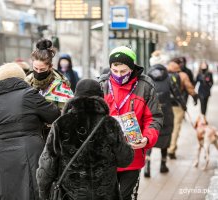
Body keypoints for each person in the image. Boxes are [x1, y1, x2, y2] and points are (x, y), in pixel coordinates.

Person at [36, 79, 134, 200]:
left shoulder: (60, 124)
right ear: (100, 97)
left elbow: (47, 164)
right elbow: (125, 160)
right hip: (105, 195)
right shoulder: (110, 123)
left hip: (71, 195)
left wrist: (43, 193)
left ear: (75, 97)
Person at [0, 63, 60, 200]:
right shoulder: (29, 94)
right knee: (32, 191)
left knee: (5, 191)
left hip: (1, 153)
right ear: (22, 78)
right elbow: (53, 114)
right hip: (29, 149)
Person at [99, 46, 163, 200]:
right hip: (105, 156)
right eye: (115, 71)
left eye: (123, 71)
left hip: (132, 156)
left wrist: (147, 139)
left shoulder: (145, 87)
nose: (119, 75)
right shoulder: (102, 85)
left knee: (126, 196)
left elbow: (154, 118)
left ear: (132, 67)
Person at [25, 39, 73, 139]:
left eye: (42, 69)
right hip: (29, 136)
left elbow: (68, 115)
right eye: (35, 68)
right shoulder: (25, 82)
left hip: (52, 136)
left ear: (50, 67)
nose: (38, 72)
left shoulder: (61, 86)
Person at [145, 64, 175, 177]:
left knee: (149, 139)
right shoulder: (168, 78)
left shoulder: (147, 79)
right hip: (166, 113)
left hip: (151, 114)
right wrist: (183, 105)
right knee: (166, 139)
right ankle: (163, 165)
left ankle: (147, 168)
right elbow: (176, 92)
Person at [167, 58, 198, 159]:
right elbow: (190, 88)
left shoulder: (164, 74)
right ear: (179, 65)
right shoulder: (182, 75)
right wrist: (194, 97)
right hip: (178, 105)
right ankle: (171, 149)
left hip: (166, 105)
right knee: (176, 127)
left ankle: (165, 148)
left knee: (168, 127)